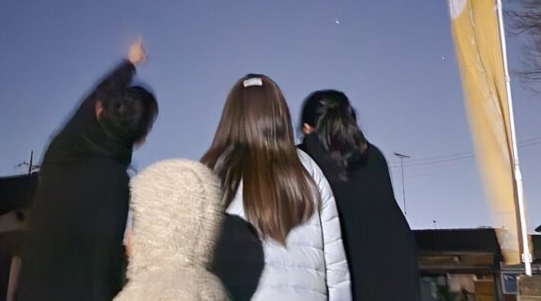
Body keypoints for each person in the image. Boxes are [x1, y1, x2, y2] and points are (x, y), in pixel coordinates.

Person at [15, 39, 158, 301]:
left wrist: (130, 62)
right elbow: (103, 273)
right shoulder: (115, 185)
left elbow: (99, 93)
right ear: (141, 141)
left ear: (102, 110)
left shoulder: (63, 150)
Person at [202, 74, 352, 301]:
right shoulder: (308, 169)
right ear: (280, 113)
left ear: (230, 116)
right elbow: (336, 266)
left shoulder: (212, 170)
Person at [299, 90, 420, 301]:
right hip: (397, 275)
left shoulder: (303, 160)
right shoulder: (374, 157)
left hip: (343, 282)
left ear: (308, 128)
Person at [114, 159, 230, 301]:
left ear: (154, 228)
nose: (128, 237)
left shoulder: (142, 293)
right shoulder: (214, 292)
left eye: (136, 222)